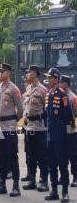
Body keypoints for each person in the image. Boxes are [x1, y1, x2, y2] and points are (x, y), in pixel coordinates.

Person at [0, 63, 23, 197]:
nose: (1, 73)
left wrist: (14, 121)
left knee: (12, 156)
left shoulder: (14, 89)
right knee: (1, 156)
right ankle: (2, 184)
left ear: (9, 73)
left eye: (3, 71)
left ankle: (16, 185)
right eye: (0, 71)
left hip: (10, 124)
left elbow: (20, 109)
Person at [44, 68, 72, 202]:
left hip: (60, 136)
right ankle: (54, 191)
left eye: (50, 78)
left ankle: (65, 192)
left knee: (62, 165)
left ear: (56, 79)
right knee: (52, 166)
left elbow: (68, 116)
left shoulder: (62, 95)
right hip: (49, 136)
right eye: (48, 78)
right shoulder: (48, 94)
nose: (48, 80)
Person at [22, 65, 49, 192]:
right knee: (31, 155)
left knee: (42, 156)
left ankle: (44, 181)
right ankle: (32, 179)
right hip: (29, 127)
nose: (27, 74)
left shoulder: (43, 90)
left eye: (29, 72)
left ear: (35, 74)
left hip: (40, 128)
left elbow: (47, 109)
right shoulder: (28, 88)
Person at [60, 75, 77, 189]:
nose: (59, 84)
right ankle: (63, 176)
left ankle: (75, 177)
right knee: (62, 155)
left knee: (73, 155)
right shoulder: (60, 96)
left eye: (61, 82)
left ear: (66, 84)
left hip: (72, 131)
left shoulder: (73, 97)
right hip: (61, 131)